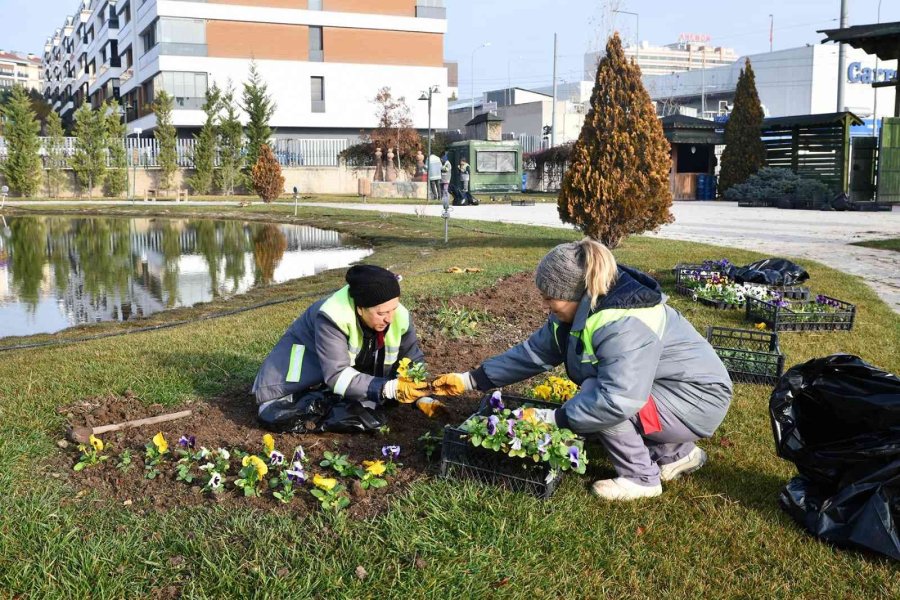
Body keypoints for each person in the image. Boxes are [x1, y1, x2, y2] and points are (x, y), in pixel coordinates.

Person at [433, 239, 733, 501]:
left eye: (550, 297)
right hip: (673, 393)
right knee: (602, 391)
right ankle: (678, 455)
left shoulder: (624, 322)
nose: (545, 304)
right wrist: (471, 380)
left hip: (698, 401)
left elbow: (616, 399)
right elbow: (535, 352)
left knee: (597, 394)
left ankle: (641, 479)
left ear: (574, 292)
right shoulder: (582, 309)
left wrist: (555, 418)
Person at [253, 265, 432, 433]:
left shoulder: (398, 317)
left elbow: (412, 360)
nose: (389, 319)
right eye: (381, 313)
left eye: (393, 308)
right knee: (276, 414)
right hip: (291, 385)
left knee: (370, 409)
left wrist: (422, 396)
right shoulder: (332, 316)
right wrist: (388, 389)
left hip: (323, 381)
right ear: (360, 309)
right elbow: (337, 375)